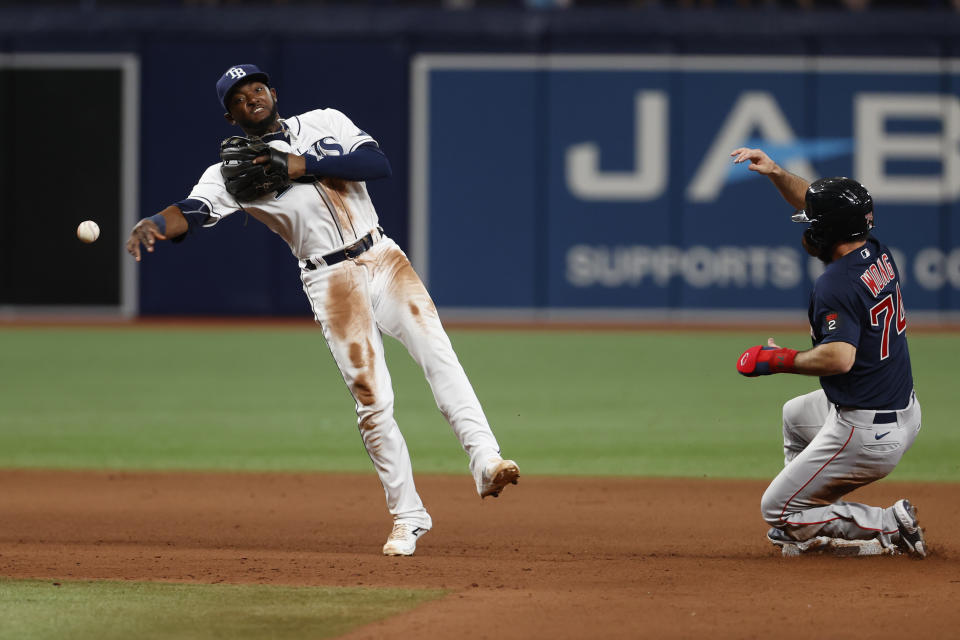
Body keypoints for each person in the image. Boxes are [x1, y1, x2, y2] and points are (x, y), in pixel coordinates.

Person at [126, 64, 520, 557]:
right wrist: (155, 223)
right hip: (329, 279)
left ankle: (486, 459)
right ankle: (408, 517)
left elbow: (377, 164)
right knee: (373, 400)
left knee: (439, 357)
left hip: (382, 255)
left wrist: (300, 166)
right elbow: (194, 210)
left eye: (256, 87)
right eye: (237, 97)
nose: (251, 96)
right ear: (230, 116)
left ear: (272, 92)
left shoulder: (325, 121)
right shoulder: (227, 172)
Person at [728, 147, 926, 557]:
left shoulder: (835, 283)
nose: (807, 229)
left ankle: (889, 523)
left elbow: (839, 358)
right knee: (796, 416)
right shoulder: (876, 250)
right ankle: (813, 528)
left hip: (866, 431)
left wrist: (776, 359)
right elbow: (821, 205)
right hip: (901, 410)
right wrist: (777, 173)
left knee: (776, 510)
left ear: (828, 232)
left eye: (813, 224)